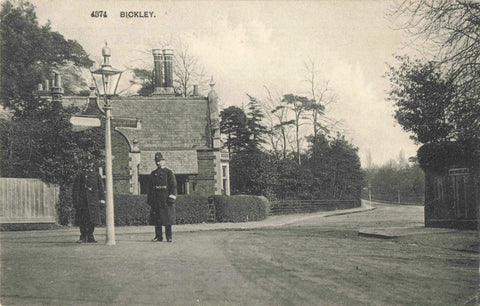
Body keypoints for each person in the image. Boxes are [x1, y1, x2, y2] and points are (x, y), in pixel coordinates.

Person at [72, 160, 105, 243]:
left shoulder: (97, 175)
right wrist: (76, 201)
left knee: (92, 220)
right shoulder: (80, 175)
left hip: (93, 202)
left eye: (90, 163)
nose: (89, 165)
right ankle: (83, 236)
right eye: (87, 163)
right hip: (83, 202)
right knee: (82, 220)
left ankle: (90, 235)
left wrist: (102, 200)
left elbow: (101, 188)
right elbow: (76, 189)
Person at [147, 152, 177, 242]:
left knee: (167, 219)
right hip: (156, 200)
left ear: (164, 161)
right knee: (157, 219)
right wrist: (150, 200)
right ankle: (158, 236)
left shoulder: (169, 173)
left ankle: (169, 237)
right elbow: (150, 188)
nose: (158, 163)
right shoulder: (153, 173)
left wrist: (172, 197)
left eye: (160, 161)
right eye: (157, 161)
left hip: (166, 199)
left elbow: (173, 186)